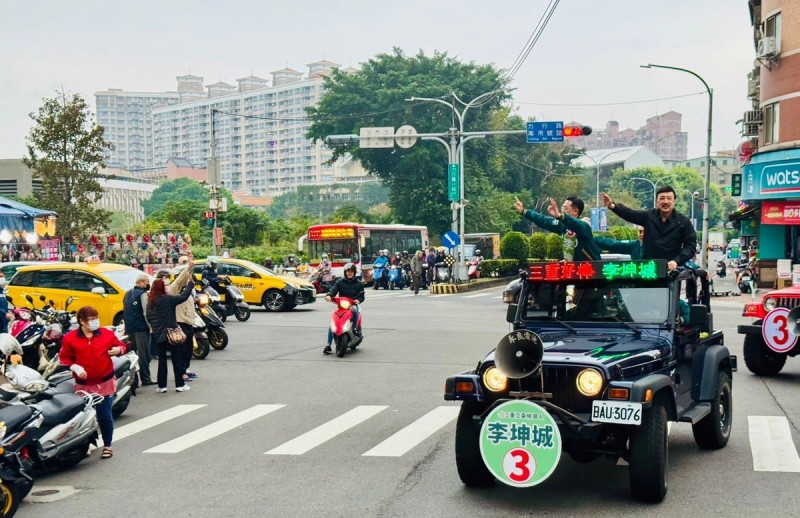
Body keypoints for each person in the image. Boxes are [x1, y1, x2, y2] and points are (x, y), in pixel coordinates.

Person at [59, 305, 127, 459]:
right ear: (82, 321)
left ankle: (107, 445)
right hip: (83, 385)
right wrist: (75, 366)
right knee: (84, 417)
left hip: (105, 381)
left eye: (96, 319)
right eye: (91, 320)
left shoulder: (106, 334)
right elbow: (64, 357)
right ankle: (86, 444)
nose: (95, 322)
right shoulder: (70, 338)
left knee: (105, 416)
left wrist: (118, 350)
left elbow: (121, 346)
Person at [600, 186, 696, 270]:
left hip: (671, 270)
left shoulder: (683, 221)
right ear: (656, 201)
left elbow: (690, 247)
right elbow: (630, 214)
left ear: (674, 201)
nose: (665, 201)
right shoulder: (649, 216)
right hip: (649, 268)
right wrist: (612, 205)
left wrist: (676, 261)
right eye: (662, 198)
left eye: (669, 198)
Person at [146, 267, 195, 393]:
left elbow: (149, 318)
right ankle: (179, 384)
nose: (167, 287)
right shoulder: (168, 299)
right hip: (172, 334)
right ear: (162, 288)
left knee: (162, 362)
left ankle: (162, 386)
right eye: (165, 285)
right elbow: (183, 296)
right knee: (176, 359)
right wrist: (190, 284)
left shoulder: (150, 301)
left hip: (158, 336)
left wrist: (157, 329)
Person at [515, 196, 601, 260]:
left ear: (575, 211)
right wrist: (524, 212)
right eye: (562, 208)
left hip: (591, 271)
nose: (562, 210)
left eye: (565, 208)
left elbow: (576, 223)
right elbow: (544, 220)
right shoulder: (561, 225)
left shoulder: (584, 226)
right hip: (572, 270)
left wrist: (560, 216)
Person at [161, 258, 198, 383]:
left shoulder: (188, 290)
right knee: (181, 350)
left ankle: (185, 369)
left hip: (189, 322)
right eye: (186, 277)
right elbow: (179, 281)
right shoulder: (174, 289)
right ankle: (181, 372)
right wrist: (187, 269)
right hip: (180, 322)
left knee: (189, 349)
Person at [323, 263, 364, 355]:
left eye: (351, 271)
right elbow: (333, 290)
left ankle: (354, 329)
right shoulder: (340, 282)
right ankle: (328, 345)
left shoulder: (359, 284)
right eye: (348, 271)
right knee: (333, 324)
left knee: (354, 309)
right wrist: (329, 296)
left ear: (354, 273)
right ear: (345, 272)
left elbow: (362, 296)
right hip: (342, 306)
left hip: (352, 305)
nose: (349, 273)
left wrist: (358, 300)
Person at [122, 274, 155, 386]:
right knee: (144, 354)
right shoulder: (143, 294)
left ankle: (134, 381)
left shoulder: (127, 294)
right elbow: (146, 312)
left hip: (130, 328)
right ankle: (146, 379)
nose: (147, 284)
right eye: (146, 282)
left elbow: (125, 311)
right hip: (141, 328)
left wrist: (126, 328)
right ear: (141, 282)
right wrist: (150, 326)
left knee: (133, 355)